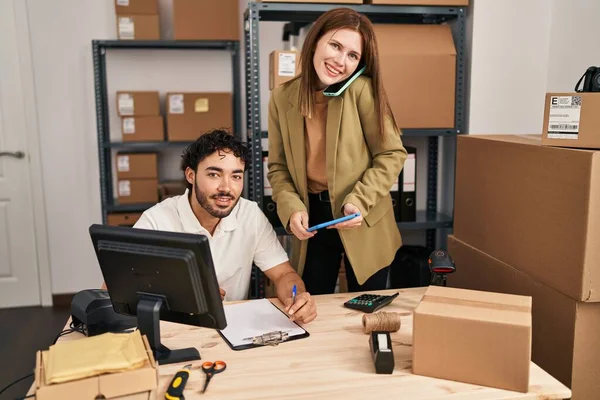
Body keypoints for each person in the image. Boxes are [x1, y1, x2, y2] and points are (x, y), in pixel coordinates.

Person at [103, 129, 317, 324]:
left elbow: (283, 275)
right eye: (214, 174)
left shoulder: (249, 214)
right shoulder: (157, 220)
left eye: (235, 176)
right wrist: (185, 294)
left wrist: (296, 296)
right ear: (191, 175)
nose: (226, 187)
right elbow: (112, 291)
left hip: (231, 327)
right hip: (172, 329)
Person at [267, 8, 407, 295]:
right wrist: (292, 208)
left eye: (353, 55)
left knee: (365, 310)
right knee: (312, 305)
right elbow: (278, 167)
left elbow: (392, 154)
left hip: (360, 215)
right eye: (335, 46)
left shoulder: (362, 91)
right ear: (316, 40)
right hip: (313, 217)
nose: (340, 61)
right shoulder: (282, 97)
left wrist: (361, 199)